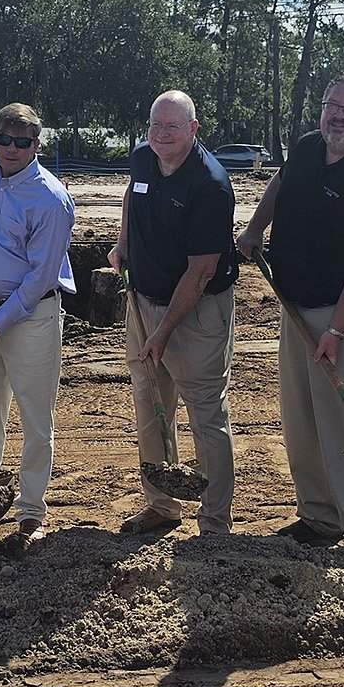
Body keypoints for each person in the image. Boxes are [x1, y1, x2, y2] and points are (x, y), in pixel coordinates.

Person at [236, 73, 344, 547]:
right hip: (298, 306)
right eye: (333, 104)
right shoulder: (310, 147)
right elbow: (281, 180)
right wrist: (255, 229)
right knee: (304, 417)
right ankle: (319, 517)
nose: (338, 115)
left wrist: (335, 330)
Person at [112, 90, 238, 536]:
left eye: (172, 126)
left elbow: (201, 272)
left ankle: (214, 519)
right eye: (155, 125)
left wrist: (162, 334)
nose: (161, 135)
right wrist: (123, 241)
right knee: (150, 403)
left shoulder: (210, 184)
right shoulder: (144, 157)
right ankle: (162, 505)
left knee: (205, 411)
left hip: (198, 309)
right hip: (144, 299)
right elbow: (132, 193)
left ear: (193, 129)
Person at [0, 103, 76, 542]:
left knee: (35, 419)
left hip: (31, 317)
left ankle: (30, 510)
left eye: (22, 142)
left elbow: (39, 279)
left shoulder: (51, 199)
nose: (10, 149)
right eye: (3, 139)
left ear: (37, 145)